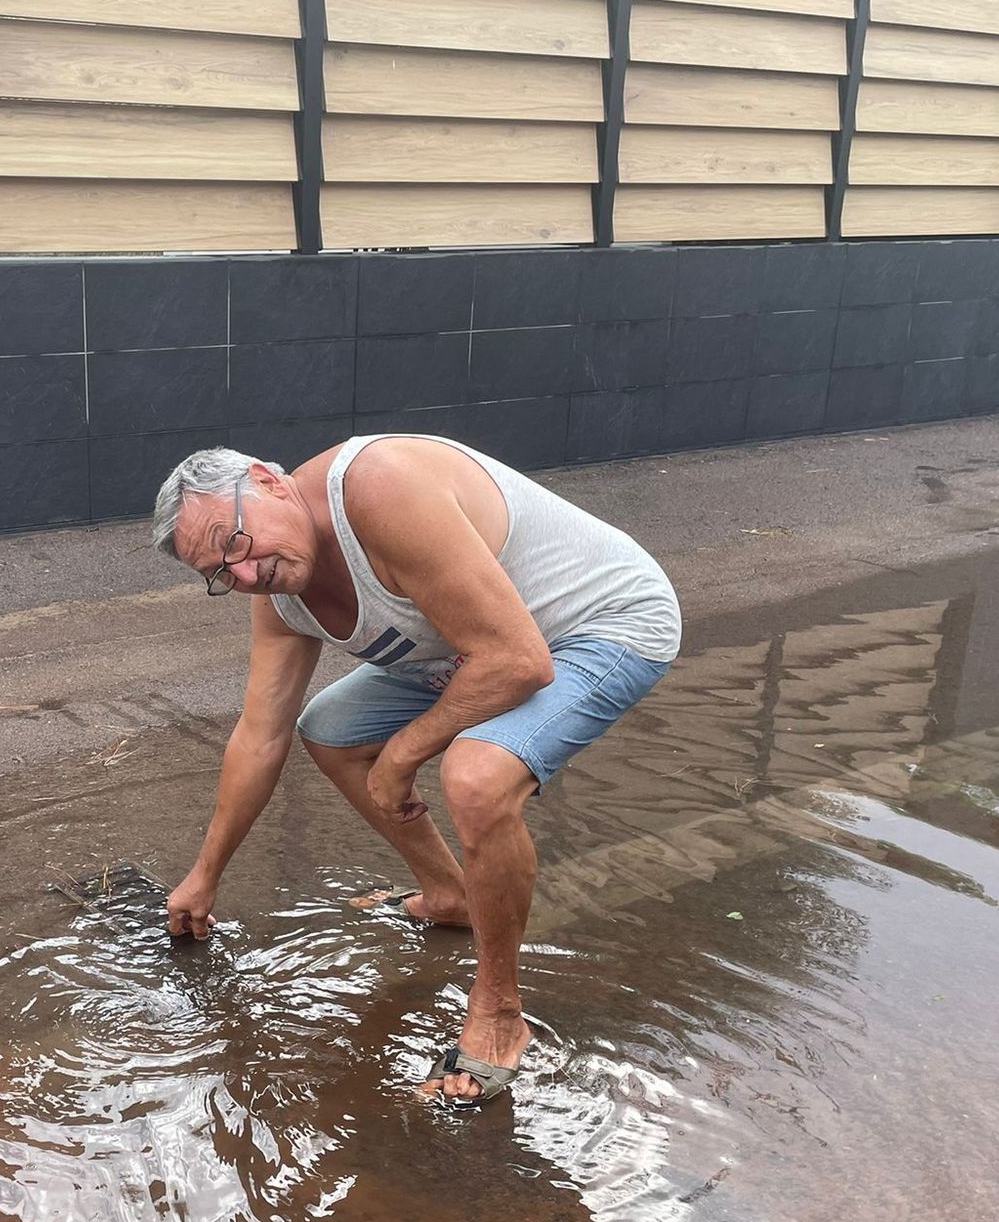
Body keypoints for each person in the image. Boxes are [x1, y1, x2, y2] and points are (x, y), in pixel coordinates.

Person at [151, 435, 680, 1105]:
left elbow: (518, 662)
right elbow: (259, 736)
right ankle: (448, 894)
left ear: (267, 481)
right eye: (221, 574)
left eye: (235, 543)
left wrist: (402, 756)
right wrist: (205, 875)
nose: (246, 573)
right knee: (331, 731)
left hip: (600, 625)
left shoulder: (381, 486)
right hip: (480, 645)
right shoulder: (281, 592)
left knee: (475, 777)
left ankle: (499, 1012)